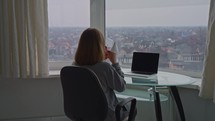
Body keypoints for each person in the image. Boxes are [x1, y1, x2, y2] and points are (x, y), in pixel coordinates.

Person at [73, 28, 135, 121]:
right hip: (106, 116)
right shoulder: (104, 68)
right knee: (133, 109)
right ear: (99, 46)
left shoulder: (74, 67)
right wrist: (114, 62)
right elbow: (121, 87)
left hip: (83, 115)